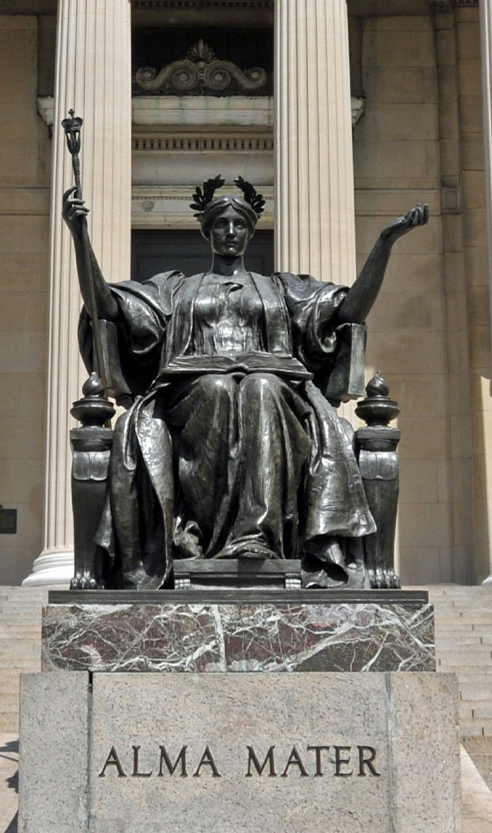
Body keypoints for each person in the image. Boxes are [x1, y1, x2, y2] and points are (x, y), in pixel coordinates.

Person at [63, 172, 428, 589]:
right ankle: (196, 537)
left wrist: (384, 242)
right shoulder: (177, 289)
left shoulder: (279, 289)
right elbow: (107, 306)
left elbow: (349, 311)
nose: (230, 232)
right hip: (193, 391)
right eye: (220, 224)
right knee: (218, 389)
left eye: (239, 225)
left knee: (261, 387)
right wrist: (80, 236)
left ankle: (255, 539)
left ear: (252, 232)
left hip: (273, 390)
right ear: (207, 232)